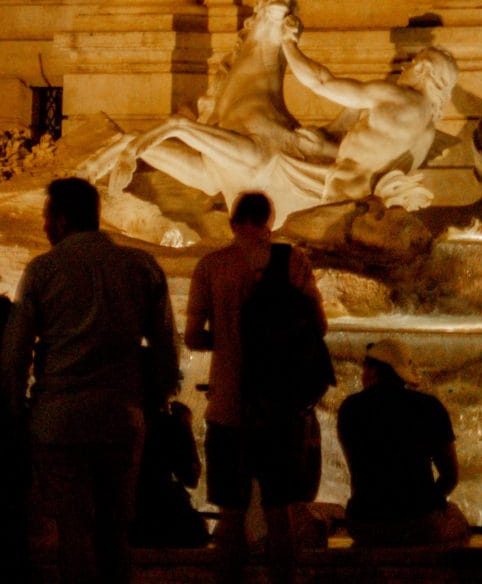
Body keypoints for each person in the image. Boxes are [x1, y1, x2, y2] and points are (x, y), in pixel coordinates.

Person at [1, 175, 180, 584]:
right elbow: (166, 348)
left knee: (73, 530)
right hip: (121, 417)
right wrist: (152, 403)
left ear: (62, 221)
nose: (45, 227)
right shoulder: (141, 267)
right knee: (115, 531)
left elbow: (15, 353)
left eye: (47, 218)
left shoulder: (43, 271)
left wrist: (15, 411)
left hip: (58, 419)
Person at [186, 187, 327, 584]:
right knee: (280, 512)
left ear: (233, 223)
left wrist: (229, 338)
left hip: (228, 407)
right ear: (270, 222)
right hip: (280, 409)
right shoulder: (293, 261)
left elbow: (193, 337)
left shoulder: (212, 266)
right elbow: (319, 327)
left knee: (231, 515)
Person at [336, 337, 467, 547]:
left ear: (373, 370)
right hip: (419, 523)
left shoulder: (349, 408)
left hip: (363, 523)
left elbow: (356, 475)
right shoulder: (429, 407)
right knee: (459, 521)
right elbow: (450, 476)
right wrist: (423, 503)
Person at [132, 399, 207, 548]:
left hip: (134, 514)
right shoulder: (172, 422)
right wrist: (186, 427)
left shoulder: (133, 417)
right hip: (166, 515)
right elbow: (191, 477)